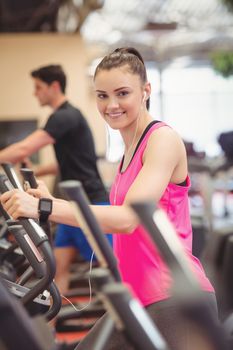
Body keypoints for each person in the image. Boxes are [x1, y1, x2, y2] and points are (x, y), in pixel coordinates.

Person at [0, 48, 218, 350]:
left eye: (122, 93)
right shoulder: (128, 151)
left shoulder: (162, 140)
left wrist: (45, 206)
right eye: (102, 95)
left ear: (146, 91)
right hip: (138, 298)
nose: (111, 105)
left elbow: (130, 219)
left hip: (173, 299)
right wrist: (49, 201)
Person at [0, 64, 111, 295]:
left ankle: (125, 324)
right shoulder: (67, 117)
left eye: (38, 87)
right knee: (55, 271)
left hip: (90, 204)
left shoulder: (65, 116)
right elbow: (67, 163)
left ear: (54, 86)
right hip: (70, 206)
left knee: (112, 271)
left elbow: (23, 148)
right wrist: (35, 172)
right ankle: (50, 332)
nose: (35, 93)